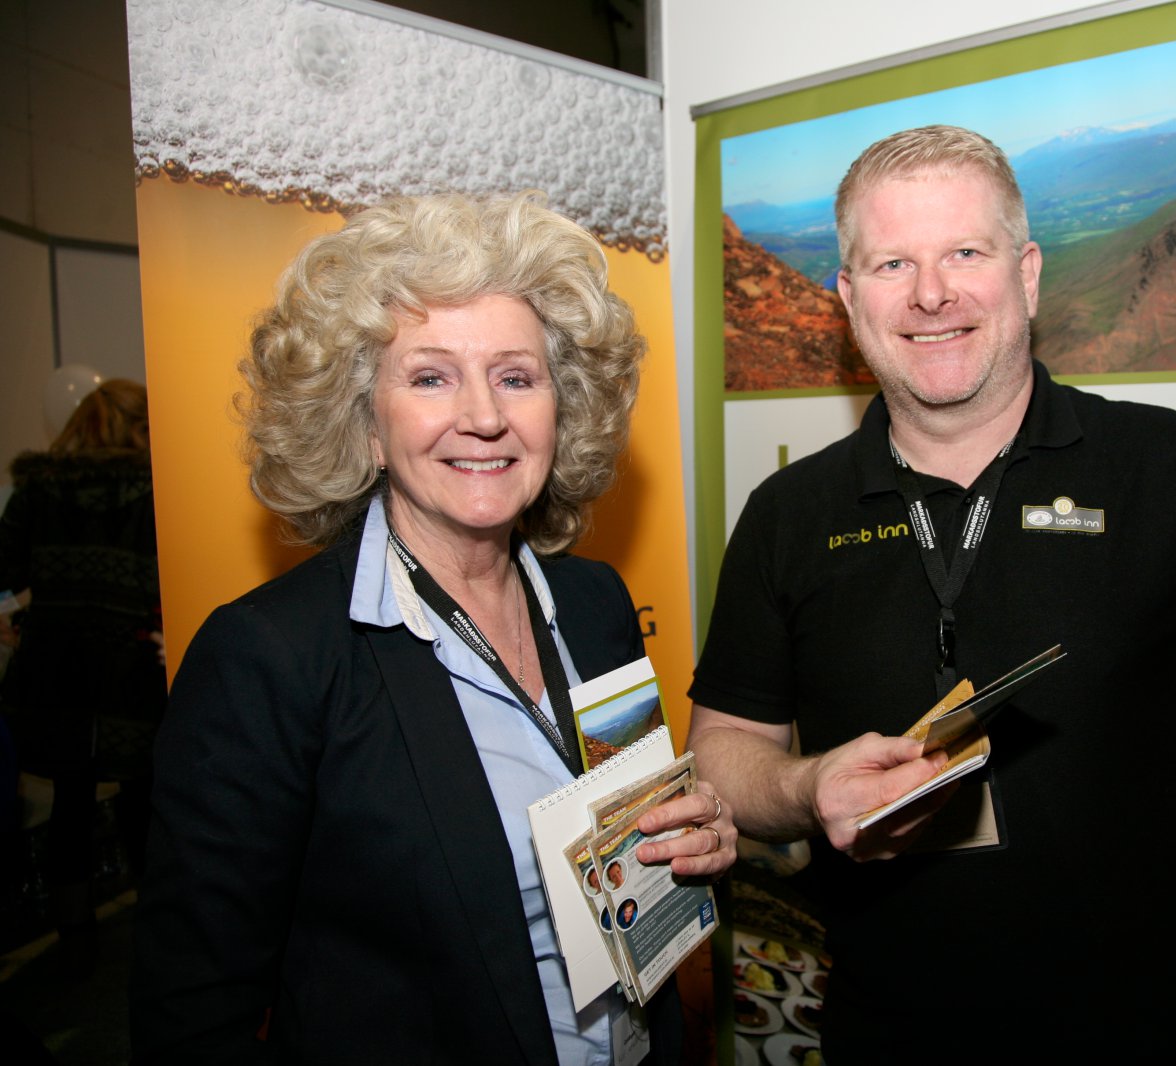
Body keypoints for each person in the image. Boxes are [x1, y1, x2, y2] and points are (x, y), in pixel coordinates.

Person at [686, 126, 1176, 1061]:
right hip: (885, 1034)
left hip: (1136, 1034)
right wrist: (806, 785)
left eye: (965, 253)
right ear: (849, 299)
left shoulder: (1170, 469)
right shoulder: (787, 514)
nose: (931, 293)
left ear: (1026, 275)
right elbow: (723, 755)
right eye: (893, 263)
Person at [131, 191, 738, 1064]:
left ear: (561, 408)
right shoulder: (271, 658)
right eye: (430, 377)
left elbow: (632, 862)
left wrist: (690, 843)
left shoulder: (595, 604)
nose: (484, 416)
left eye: (515, 377)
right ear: (365, 423)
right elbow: (191, 1016)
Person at [0, 378, 165, 973]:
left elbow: (5, 570)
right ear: (138, 427)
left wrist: (22, 616)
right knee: (144, 797)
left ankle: (74, 942)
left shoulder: (37, 490)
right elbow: (164, 575)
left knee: (70, 801)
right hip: (130, 666)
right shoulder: (153, 490)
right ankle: (157, 935)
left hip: (55, 669)